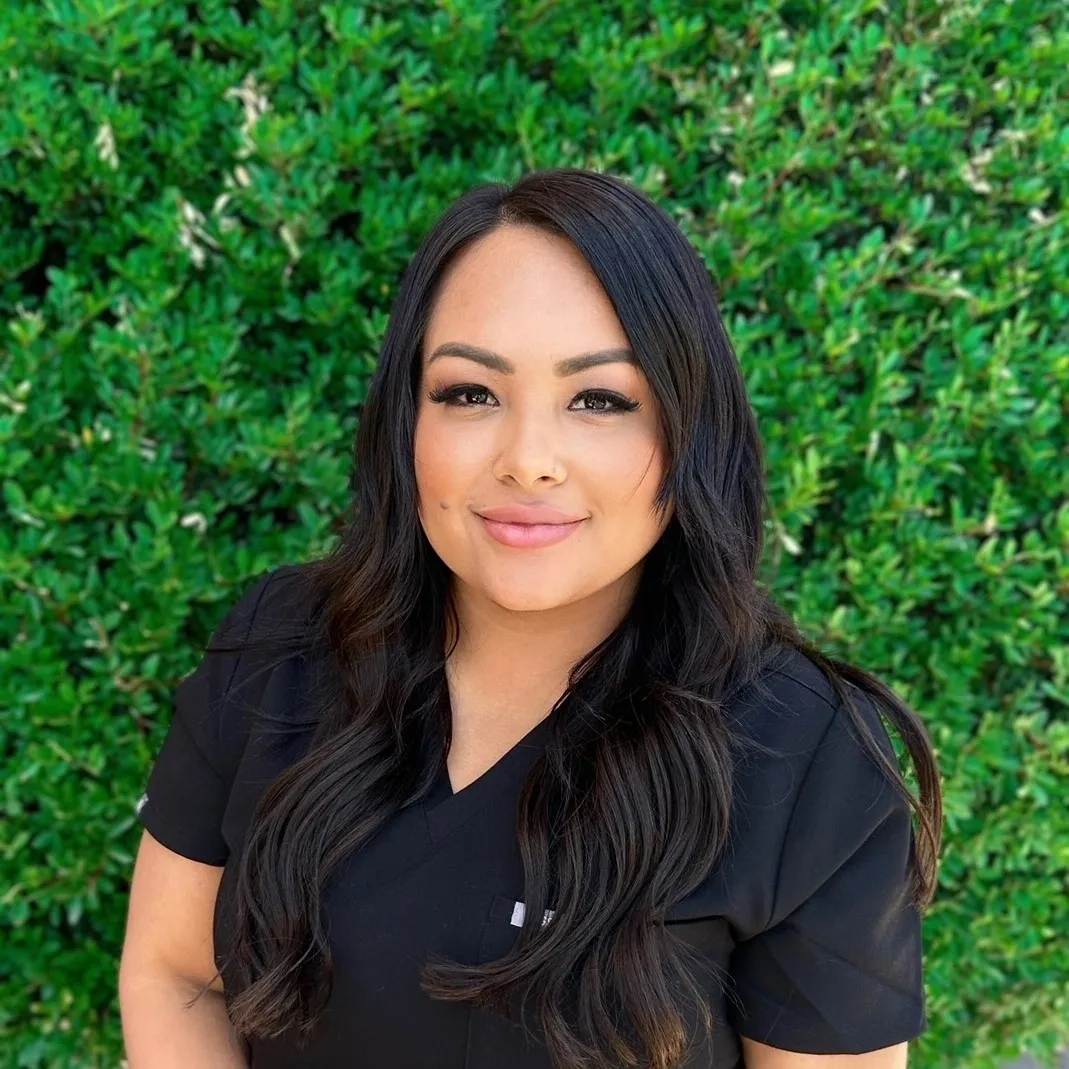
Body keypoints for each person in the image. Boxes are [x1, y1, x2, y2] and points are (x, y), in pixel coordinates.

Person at [118, 167, 943, 1069]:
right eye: (470, 392)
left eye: (600, 399)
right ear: (407, 418)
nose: (529, 460)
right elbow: (173, 973)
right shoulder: (280, 649)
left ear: (687, 430)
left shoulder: (805, 755)